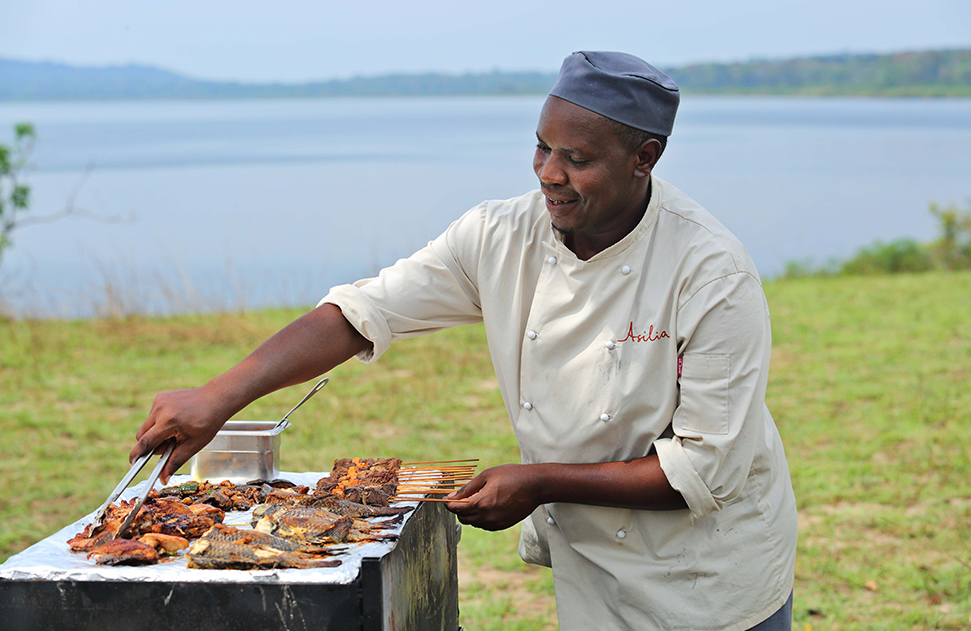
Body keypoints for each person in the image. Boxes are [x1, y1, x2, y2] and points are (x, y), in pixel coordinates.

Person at [131, 51, 797, 630]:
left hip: (709, 579)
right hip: (597, 564)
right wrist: (219, 396)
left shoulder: (710, 271)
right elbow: (363, 310)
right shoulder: (500, 235)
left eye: (577, 158)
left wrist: (535, 480)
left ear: (644, 159)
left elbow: (702, 469)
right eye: (541, 146)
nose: (547, 173)